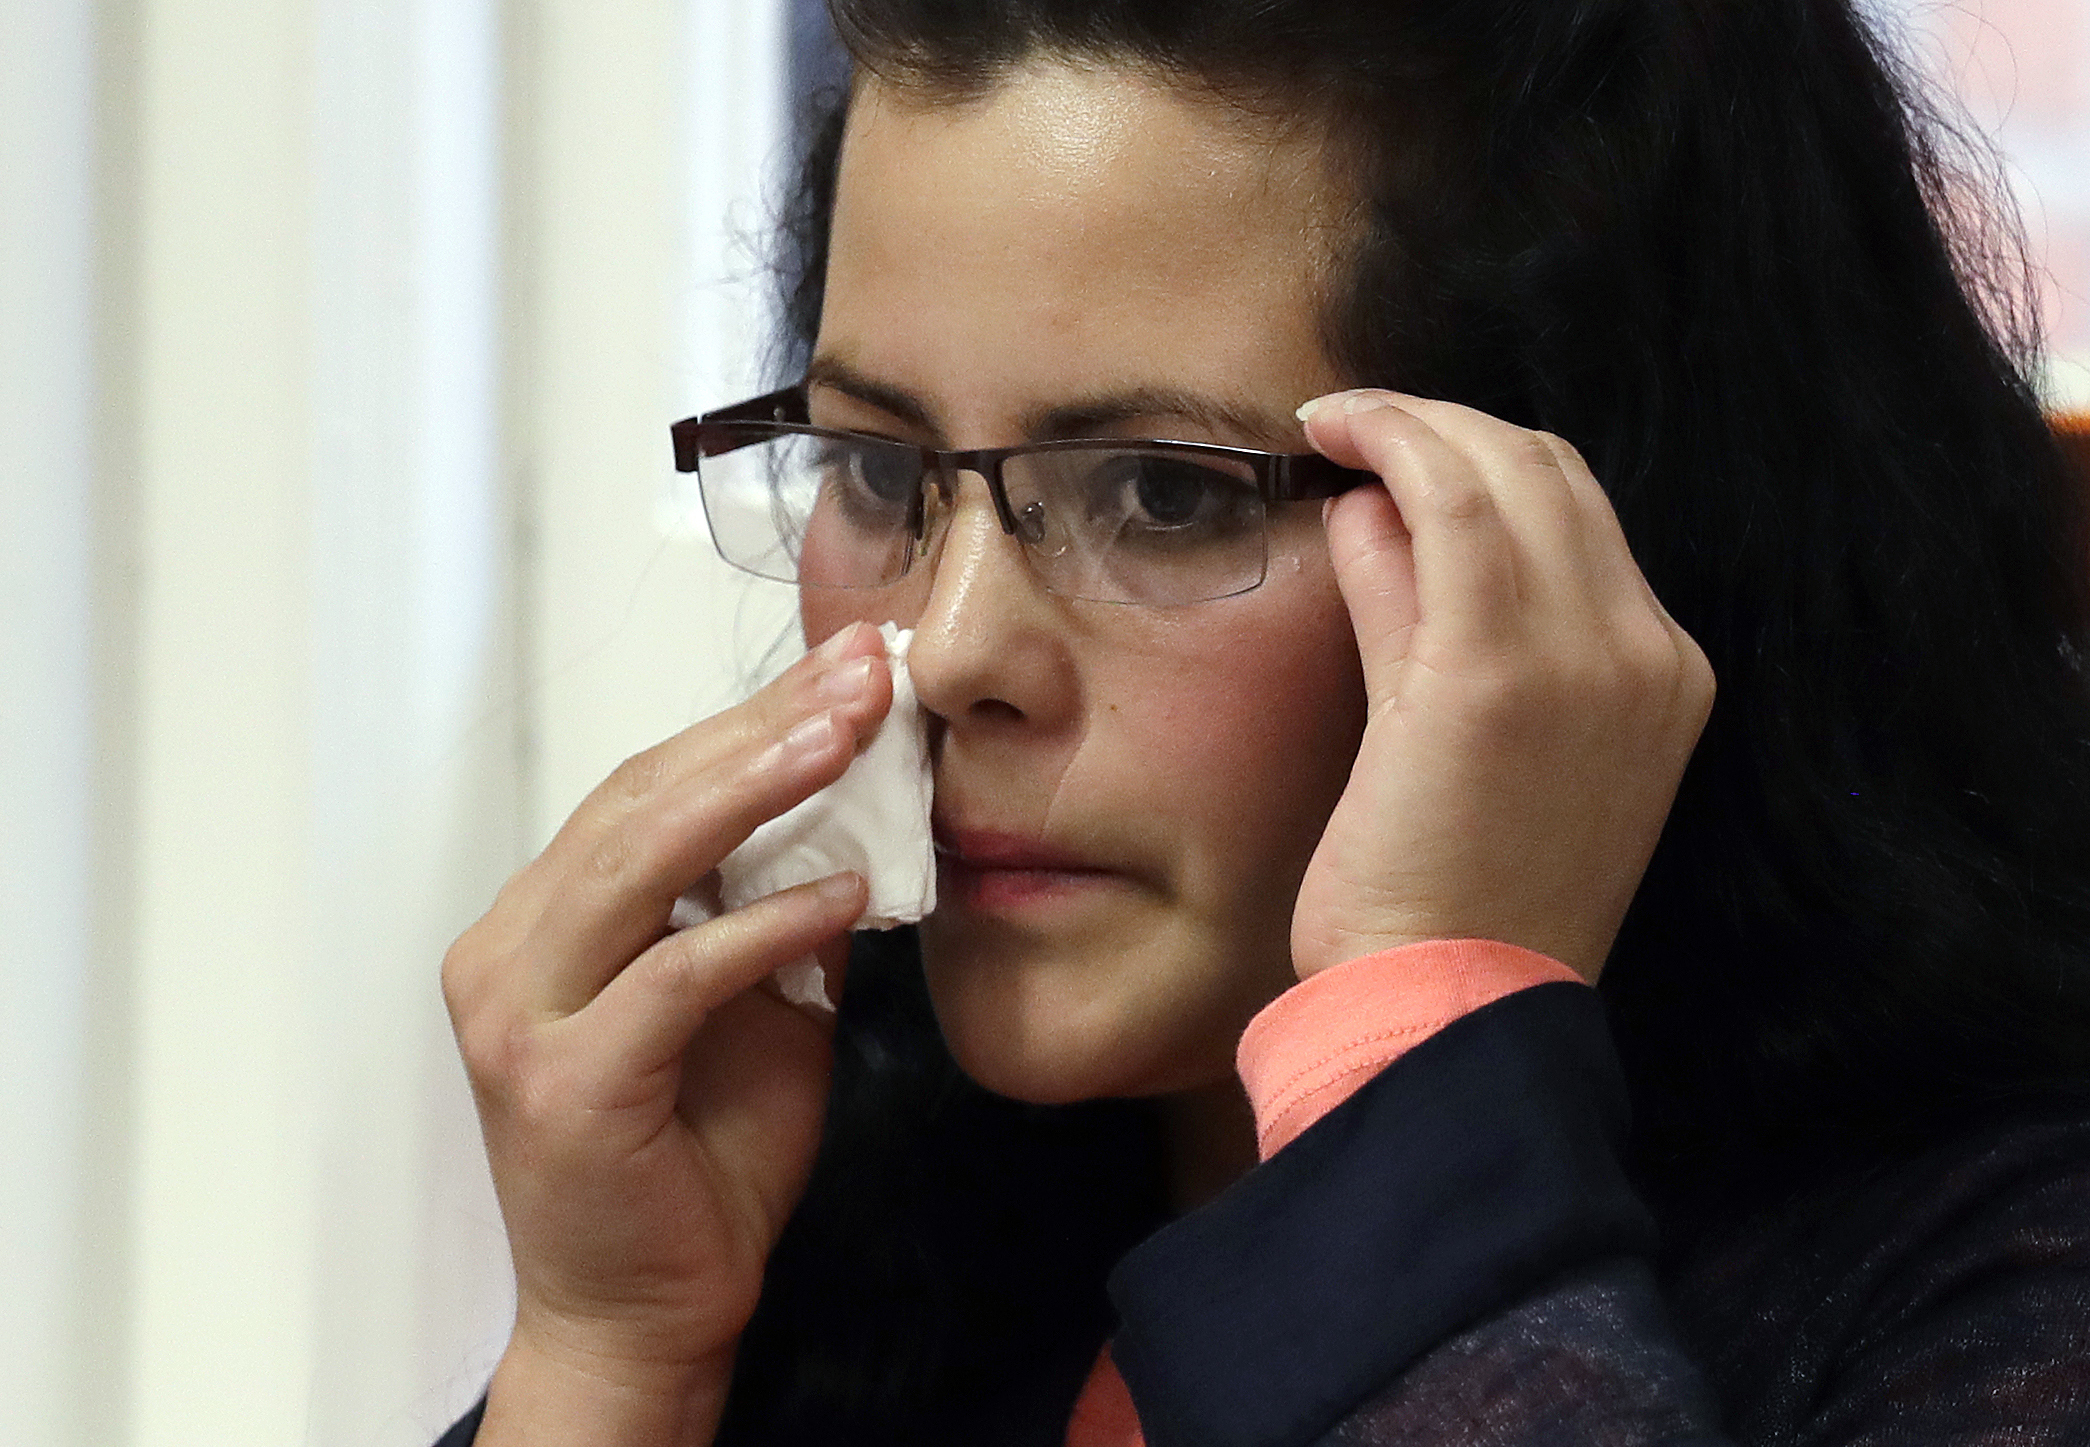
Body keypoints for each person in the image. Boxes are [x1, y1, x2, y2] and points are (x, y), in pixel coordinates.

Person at [435, 1, 2090, 1442]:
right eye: (878, 470)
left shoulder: (2007, 1293)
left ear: (1599, 543)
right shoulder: (843, 1211)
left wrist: (1416, 1046)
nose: (945, 657)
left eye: (1161, 494)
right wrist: (612, 1364)